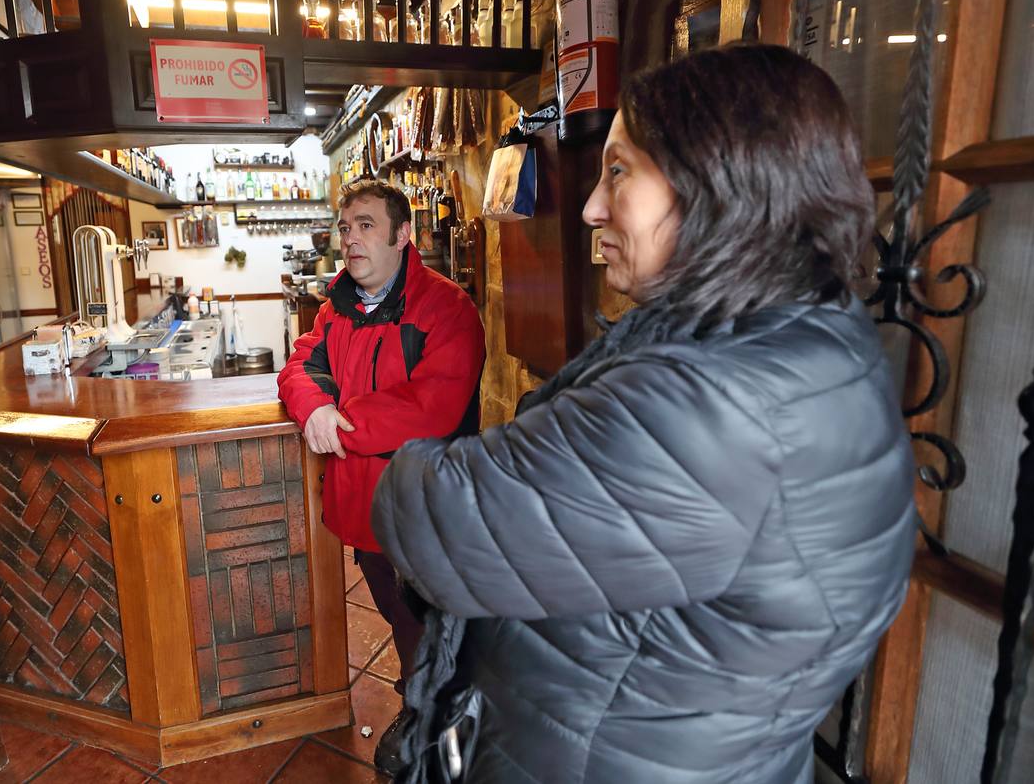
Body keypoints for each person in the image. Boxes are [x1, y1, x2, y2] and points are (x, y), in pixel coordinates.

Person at [370, 43, 917, 783]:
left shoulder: (711, 408)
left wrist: (413, 463)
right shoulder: (808, 337)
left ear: (719, 184)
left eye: (619, 170)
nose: (592, 205)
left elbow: (435, 520)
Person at [277, 180, 485, 775]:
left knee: (441, 620)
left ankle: (448, 726)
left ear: (402, 236)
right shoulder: (335, 308)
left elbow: (433, 406)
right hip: (360, 508)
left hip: (424, 507)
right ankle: (420, 709)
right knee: (399, 616)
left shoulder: (446, 308)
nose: (350, 239)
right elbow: (300, 366)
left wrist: (336, 425)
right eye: (345, 228)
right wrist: (313, 406)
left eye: (366, 225)